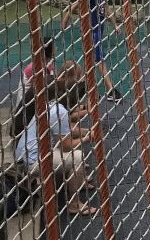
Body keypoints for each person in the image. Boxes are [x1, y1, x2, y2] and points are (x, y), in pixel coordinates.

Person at [14, 76, 96, 217]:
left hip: (24, 154)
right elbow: (67, 145)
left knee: (68, 150)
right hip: (33, 160)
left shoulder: (48, 106)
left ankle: (78, 181)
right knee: (78, 157)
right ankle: (74, 205)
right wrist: (88, 137)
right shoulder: (59, 111)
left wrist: (83, 132)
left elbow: (65, 130)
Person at [61, 0, 122, 102]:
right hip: (92, 31)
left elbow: (106, 8)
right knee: (99, 61)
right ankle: (111, 90)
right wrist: (65, 20)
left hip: (99, 30)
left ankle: (80, 89)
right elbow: (75, 5)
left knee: (91, 60)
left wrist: (115, 24)